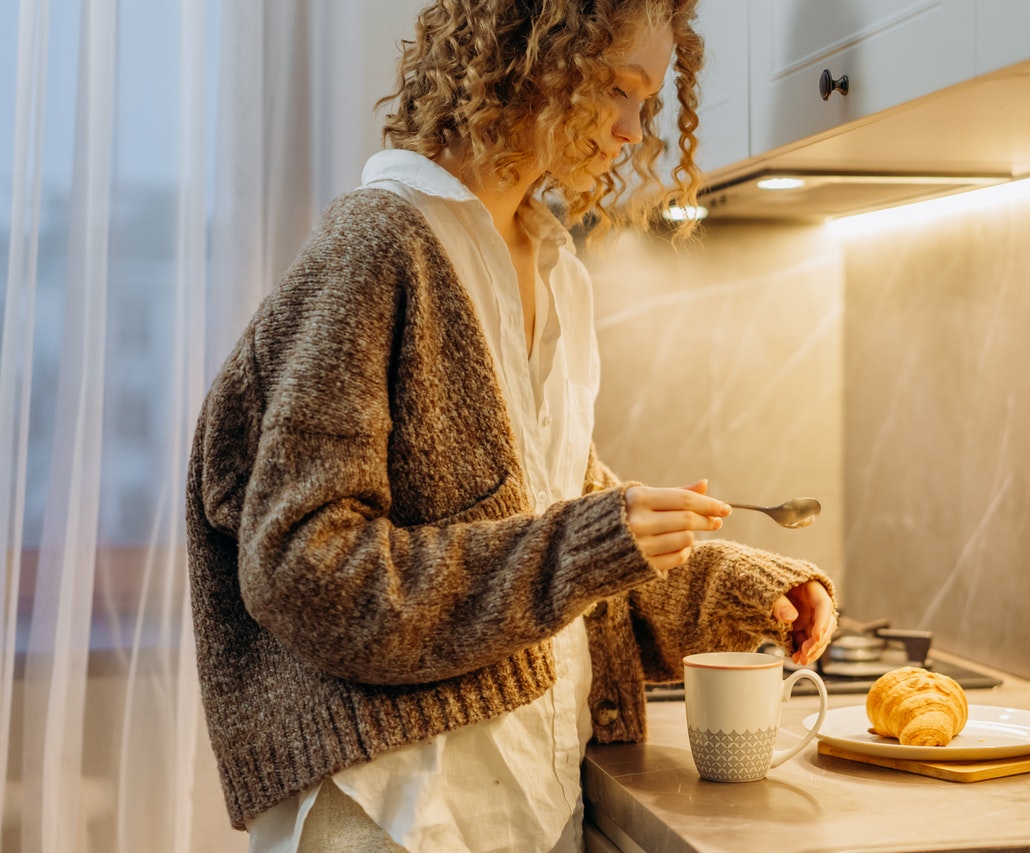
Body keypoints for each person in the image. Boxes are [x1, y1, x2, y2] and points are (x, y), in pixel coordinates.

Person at [185, 1, 838, 850]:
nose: (634, 129)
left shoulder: (559, 270)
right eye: (618, 88)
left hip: (533, 794)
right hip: (397, 809)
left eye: (647, 102)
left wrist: (733, 589)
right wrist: (583, 543)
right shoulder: (376, 247)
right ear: (535, 55)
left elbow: (555, 535)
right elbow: (301, 567)